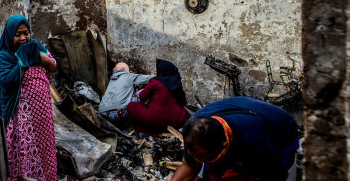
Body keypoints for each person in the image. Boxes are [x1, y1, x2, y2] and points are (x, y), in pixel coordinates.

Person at [171, 96, 299, 181]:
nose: (196, 160)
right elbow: (189, 165)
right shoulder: (193, 130)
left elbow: (275, 175)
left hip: (281, 132)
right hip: (241, 112)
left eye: (202, 158)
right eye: (194, 156)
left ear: (224, 145)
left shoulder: (256, 140)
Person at [0, 15, 58, 181]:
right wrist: (25, 59)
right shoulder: (3, 57)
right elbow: (7, 80)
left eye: (26, 33)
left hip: (42, 114)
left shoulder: (35, 45)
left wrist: (42, 59)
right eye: (18, 34)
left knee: (44, 147)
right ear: (9, 35)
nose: (23, 38)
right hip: (21, 117)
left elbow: (52, 63)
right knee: (25, 148)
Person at [127, 59, 190, 135]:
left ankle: (145, 131)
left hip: (156, 118)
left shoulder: (155, 82)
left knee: (131, 106)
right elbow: (183, 102)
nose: (155, 71)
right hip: (177, 120)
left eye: (157, 69)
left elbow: (142, 97)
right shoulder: (177, 84)